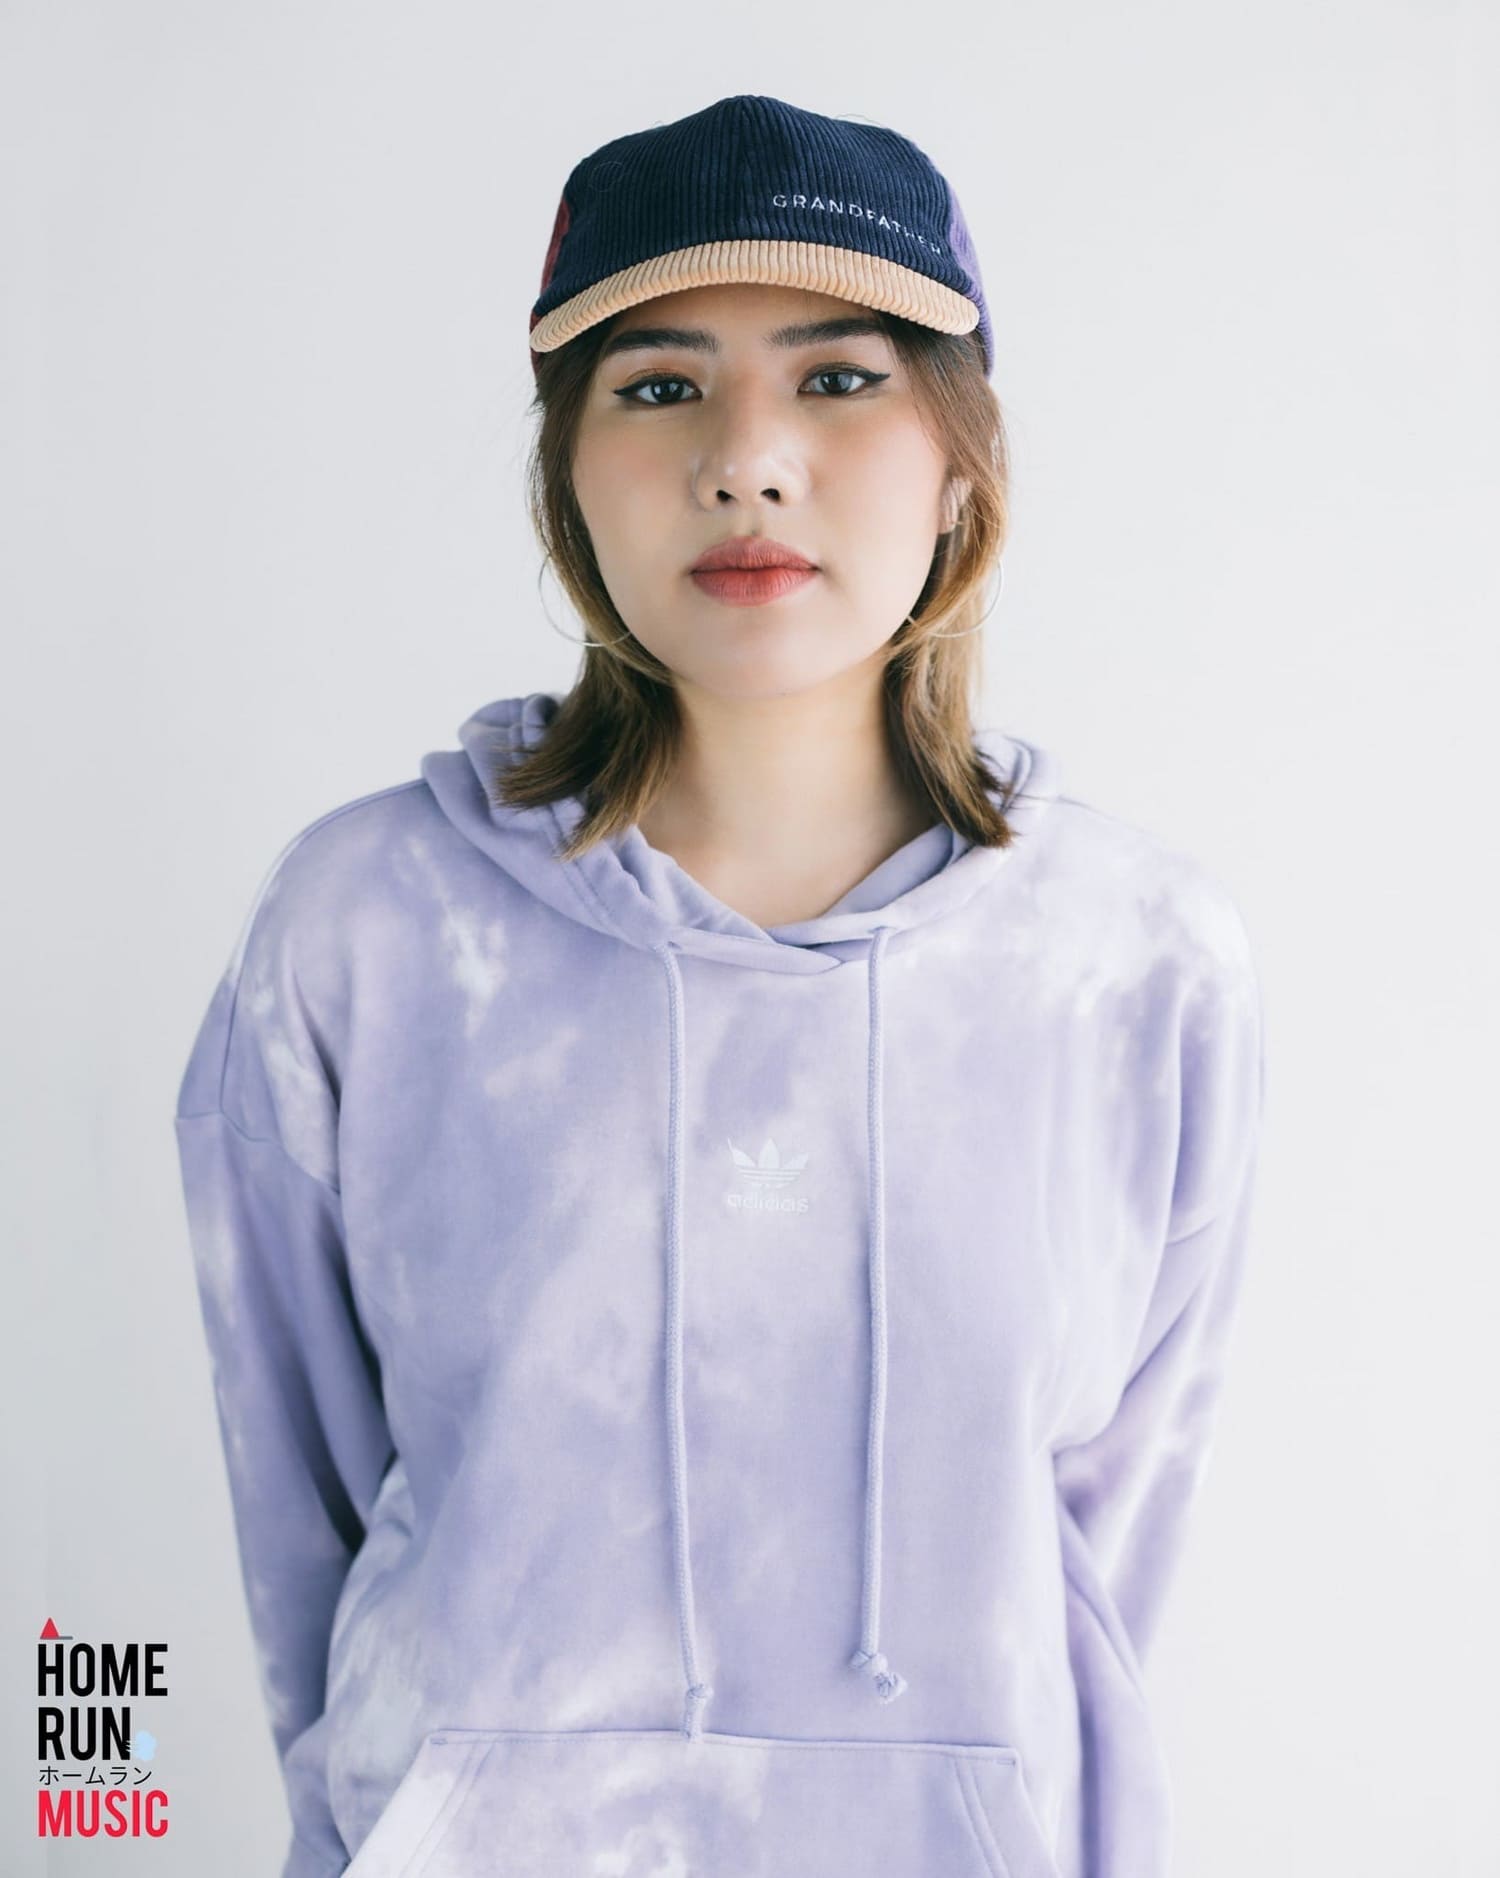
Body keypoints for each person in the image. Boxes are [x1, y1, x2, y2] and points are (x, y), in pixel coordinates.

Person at [172, 93, 1266, 1878]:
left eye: (838, 377)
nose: (748, 459)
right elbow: (305, 1529)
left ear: (961, 456)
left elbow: (1096, 1570)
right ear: (567, 471)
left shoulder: (1133, 964)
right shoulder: (366, 927)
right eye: (660, 383)